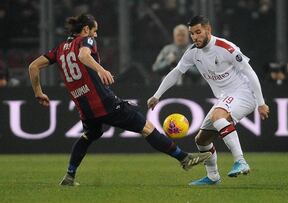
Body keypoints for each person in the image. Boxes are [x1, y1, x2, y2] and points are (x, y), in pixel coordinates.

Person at [28, 14, 211, 186]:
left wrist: (38, 92)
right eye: (94, 30)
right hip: (104, 102)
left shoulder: (59, 50)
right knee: (146, 128)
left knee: (88, 135)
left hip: (85, 108)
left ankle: (69, 175)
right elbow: (83, 55)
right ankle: (184, 158)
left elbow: (33, 66)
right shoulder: (85, 40)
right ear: (85, 30)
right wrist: (101, 69)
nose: (96, 34)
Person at [147, 15, 270, 186]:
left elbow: (250, 72)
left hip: (244, 93)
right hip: (225, 97)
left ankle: (240, 161)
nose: (195, 37)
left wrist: (261, 102)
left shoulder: (226, 48)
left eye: (198, 32)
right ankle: (213, 177)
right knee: (202, 140)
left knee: (218, 116)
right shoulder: (192, 53)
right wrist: (157, 95)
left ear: (208, 30)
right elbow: (176, 72)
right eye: (192, 34)